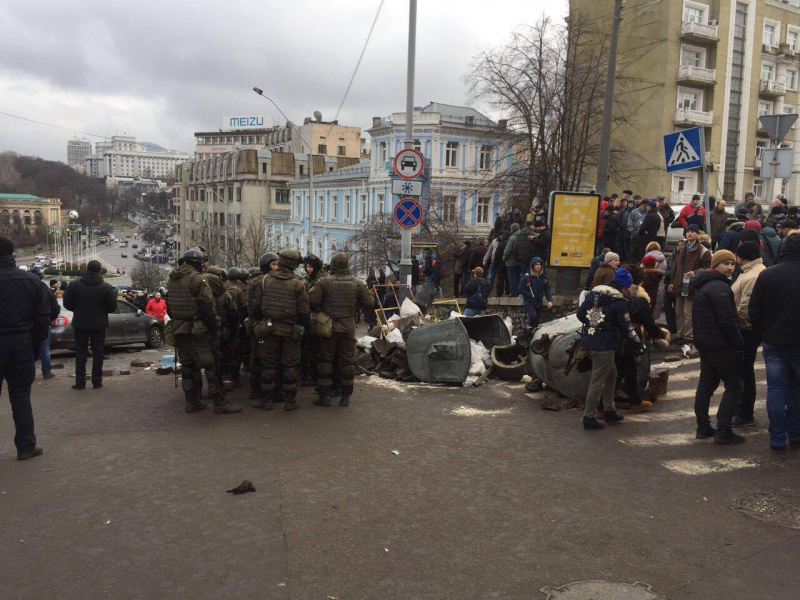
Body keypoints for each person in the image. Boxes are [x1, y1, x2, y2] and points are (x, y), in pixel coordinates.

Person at [167, 248, 241, 414]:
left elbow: (169, 307)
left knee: (187, 366)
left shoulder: (172, 279)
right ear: (196, 264)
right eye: (202, 263)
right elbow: (206, 307)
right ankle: (219, 403)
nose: (203, 265)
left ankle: (192, 401)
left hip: (179, 328)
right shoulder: (198, 280)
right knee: (211, 365)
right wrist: (214, 327)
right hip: (198, 329)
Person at [0, 236, 50, 460]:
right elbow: (43, 317)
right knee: (20, 396)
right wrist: (35, 344)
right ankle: (26, 445)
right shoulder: (30, 280)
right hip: (21, 342)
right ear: (12, 254)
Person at [748, 234, 800, 450]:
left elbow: (754, 311)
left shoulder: (768, 275)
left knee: (776, 390)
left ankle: (777, 438)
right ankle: (796, 435)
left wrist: (764, 333)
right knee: (797, 390)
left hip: (774, 343)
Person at [577, 267, 645, 430]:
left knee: (611, 374)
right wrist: (638, 344)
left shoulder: (593, 294)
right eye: (628, 286)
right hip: (605, 346)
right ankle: (589, 416)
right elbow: (626, 328)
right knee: (597, 381)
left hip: (589, 341)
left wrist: (594, 323)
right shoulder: (619, 302)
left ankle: (609, 410)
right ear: (623, 286)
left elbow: (580, 314)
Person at [691, 250, 745, 443]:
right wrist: (739, 343)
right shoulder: (719, 288)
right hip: (721, 345)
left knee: (706, 385)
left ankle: (703, 427)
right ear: (716, 265)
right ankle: (723, 430)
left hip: (706, 344)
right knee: (734, 387)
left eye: (732, 263)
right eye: (725, 264)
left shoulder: (704, 284)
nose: (730, 267)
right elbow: (727, 320)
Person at [308, 252, 373, 408]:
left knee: (325, 360)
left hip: (328, 327)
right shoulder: (357, 283)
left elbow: (311, 300)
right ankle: (346, 397)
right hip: (348, 327)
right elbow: (370, 302)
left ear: (333, 265)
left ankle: (324, 397)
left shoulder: (324, 282)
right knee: (347, 362)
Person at [252, 249, 310, 411]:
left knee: (268, 365)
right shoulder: (298, 284)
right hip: (291, 331)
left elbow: (256, 308)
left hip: (268, 330)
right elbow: (304, 312)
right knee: (290, 366)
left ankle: (267, 400)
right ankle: (290, 401)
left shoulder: (265, 280)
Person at [63, 260, 117, 391]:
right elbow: (112, 307)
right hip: (99, 324)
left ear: (87, 270)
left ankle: (80, 382)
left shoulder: (75, 285)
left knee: (80, 353)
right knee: (98, 352)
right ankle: (97, 381)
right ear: (99, 271)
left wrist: (78, 309)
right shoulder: (106, 287)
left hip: (80, 323)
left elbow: (67, 303)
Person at [729, 242, 765, 429]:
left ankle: (745, 412)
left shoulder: (752, 275)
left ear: (741, 256)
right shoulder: (751, 271)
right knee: (743, 371)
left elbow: (746, 308)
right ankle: (741, 409)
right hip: (747, 329)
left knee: (744, 372)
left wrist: (735, 323)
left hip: (746, 330)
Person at [668, 225, 710, 345]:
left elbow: (707, 268)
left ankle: (689, 336)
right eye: (688, 231)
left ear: (697, 234)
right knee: (678, 311)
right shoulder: (682, 248)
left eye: (693, 232)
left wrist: (695, 273)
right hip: (679, 284)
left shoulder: (702, 250)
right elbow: (676, 266)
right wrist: (672, 282)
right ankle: (680, 334)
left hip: (692, 285)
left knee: (688, 312)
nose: (690, 234)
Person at [518, 257, 552, 328]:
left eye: (539, 264)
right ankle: (530, 330)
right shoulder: (527, 277)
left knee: (537, 321)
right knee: (533, 316)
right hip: (529, 301)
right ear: (532, 265)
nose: (538, 266)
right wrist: (530, 294)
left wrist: (550, 300)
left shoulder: (543, 277)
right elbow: (520, 289)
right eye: (536, 264)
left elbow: (547, 289)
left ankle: (532, 333)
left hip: (538, 302)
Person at [503, 223, 522, 296]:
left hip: (511, 261)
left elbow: (508, 250)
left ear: (512, 229)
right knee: (518, 276)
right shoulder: (522, 236)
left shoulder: (512, 237)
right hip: (520, 260)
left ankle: (513, 292)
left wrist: (504, 258)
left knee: (512, 277)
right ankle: (519, 291)